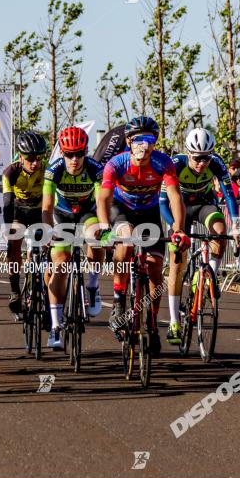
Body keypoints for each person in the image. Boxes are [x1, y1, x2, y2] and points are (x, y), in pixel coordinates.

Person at [96, 116, 188, 354]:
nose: (144, 146)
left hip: (148, 212)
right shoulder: (116, 164)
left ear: (155, 143)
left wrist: (178, 228)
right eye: (138, 140)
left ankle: (153, 323)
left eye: (149, 140)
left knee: (156, 268)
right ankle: (118, 301)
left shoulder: (163, 163)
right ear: (129, 141)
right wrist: (105, 225)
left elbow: (175, 196)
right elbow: (104, 197)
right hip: (122, 209)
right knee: (125, 242)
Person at [160, 128, 240, 344]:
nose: (202, 163)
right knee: (177, 262)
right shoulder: (175, 164)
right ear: (188, 154)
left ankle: (210, 277)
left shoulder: (216, 163)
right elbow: (162, 202)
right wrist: (175, 228)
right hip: (180, 210)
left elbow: (229, 195)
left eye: (206, 158)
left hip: (204, 206)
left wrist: (237, 226)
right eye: (197, 158)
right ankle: (174, 321)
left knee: (221, 232)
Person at [42, 127, 106, 348]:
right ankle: (56, 327)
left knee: (96, 236)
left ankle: (93, 286)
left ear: (86, 151)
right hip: (63, 215)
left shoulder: (95, 169)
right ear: (62, 153)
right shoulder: (54, 170)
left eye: (79, 153)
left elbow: (101, 201)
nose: (74, 159)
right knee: (60, 264)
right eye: (69, 154)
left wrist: (104, 227)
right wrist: (48, 229)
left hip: (87, 212)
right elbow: (47, 207)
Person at [2, 130, 47, 316]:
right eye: (30, 158)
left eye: (39, 157)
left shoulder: (47, 169)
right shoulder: (10, 172)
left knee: (48, 248)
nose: (35, 162)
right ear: (21, 156)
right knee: (14, 242)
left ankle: (45, 290)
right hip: (19, 212)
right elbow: (6, 203)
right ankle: (14, 291)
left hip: (40, 212)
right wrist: (8, 230)